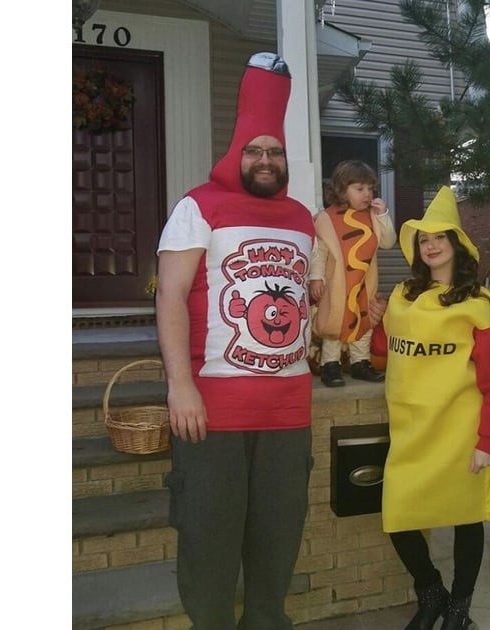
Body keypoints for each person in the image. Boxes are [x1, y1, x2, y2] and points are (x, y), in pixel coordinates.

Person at [154, 52, 315, 630]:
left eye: (275, 151)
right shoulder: (199, 206)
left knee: (277, 543)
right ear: (235, 154)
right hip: (213, 411)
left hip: (289, 411)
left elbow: (308, 302)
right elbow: (171, 295)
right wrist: (180, 387)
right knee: (209, 543)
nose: (265, 160)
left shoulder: (301, 217)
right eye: (254, 150)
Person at [375, 186, 490, 630]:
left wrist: (488, 441)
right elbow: (383, 353)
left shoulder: (477, 304)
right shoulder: (403, 295)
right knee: (398, 517)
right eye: (424, 239)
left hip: (461, 433)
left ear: (456, 243)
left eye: (440, 237)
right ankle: (431, 592)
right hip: (411, 432)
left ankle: (459, 608)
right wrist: (376, 322)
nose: (431, 245)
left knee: (465, 519)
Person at [309, 159, 395, 387]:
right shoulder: (327, 218)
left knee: (364, 321)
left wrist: (383, 215)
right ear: (341, 190)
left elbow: (388, 242)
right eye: (359, 188)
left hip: (364, 284)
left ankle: (360, 362)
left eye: (370, 189)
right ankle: (330, 364)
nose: (367, 194)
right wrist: (316, 277)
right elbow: (320, 251)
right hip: (336, 284)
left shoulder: (372, 217)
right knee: (334, 322)